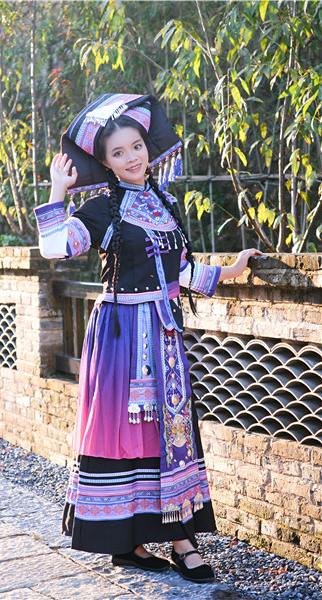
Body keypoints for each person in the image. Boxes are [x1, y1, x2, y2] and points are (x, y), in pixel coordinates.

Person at [34, 94, 263, 584]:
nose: (132, 157)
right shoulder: (100, 210)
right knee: (126, 437)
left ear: (147, 147)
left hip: (164, 336)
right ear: (105, 162)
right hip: (121, 340)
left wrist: (231, 269)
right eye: (118, 152)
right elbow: (53, 248)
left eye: (136, 147)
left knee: (169, 436)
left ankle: (181, 541)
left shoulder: (165, 203)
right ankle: (130, 544)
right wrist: (57, 189)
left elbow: (179, 273)